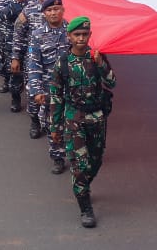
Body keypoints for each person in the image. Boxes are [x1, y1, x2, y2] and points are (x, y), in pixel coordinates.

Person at [49, 17, 116, 229]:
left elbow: (112, 82)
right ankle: (85, 206)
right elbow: (56, 96)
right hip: (74, 119)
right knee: (80, 165)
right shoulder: (63, 63)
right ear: (69, 36)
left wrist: (101, 65)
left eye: (84, 34)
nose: (80, 38)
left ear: (89, 36)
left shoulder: (97, 57)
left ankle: (84, 185)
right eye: (76, 35)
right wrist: (55, 127)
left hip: (96, 118)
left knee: (96, 161)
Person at [25, 0, 72, 173]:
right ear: (44, 13)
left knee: (74, 121)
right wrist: (36, 90)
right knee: (52, 123)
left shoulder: (71, 31)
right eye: (50, 10)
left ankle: (75, 152)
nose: (53, 13)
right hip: (49, 87)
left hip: (71, 87)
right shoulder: (38, 35)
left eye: (56, 9)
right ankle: (58, 157)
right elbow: (33, 63)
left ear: (63, 10)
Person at [0, 0, 33, 111]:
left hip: (30, 39)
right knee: (14, 70)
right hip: (10, 38)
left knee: (32, 71)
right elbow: (1, 15)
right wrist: (15, 2)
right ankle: (15, 97)